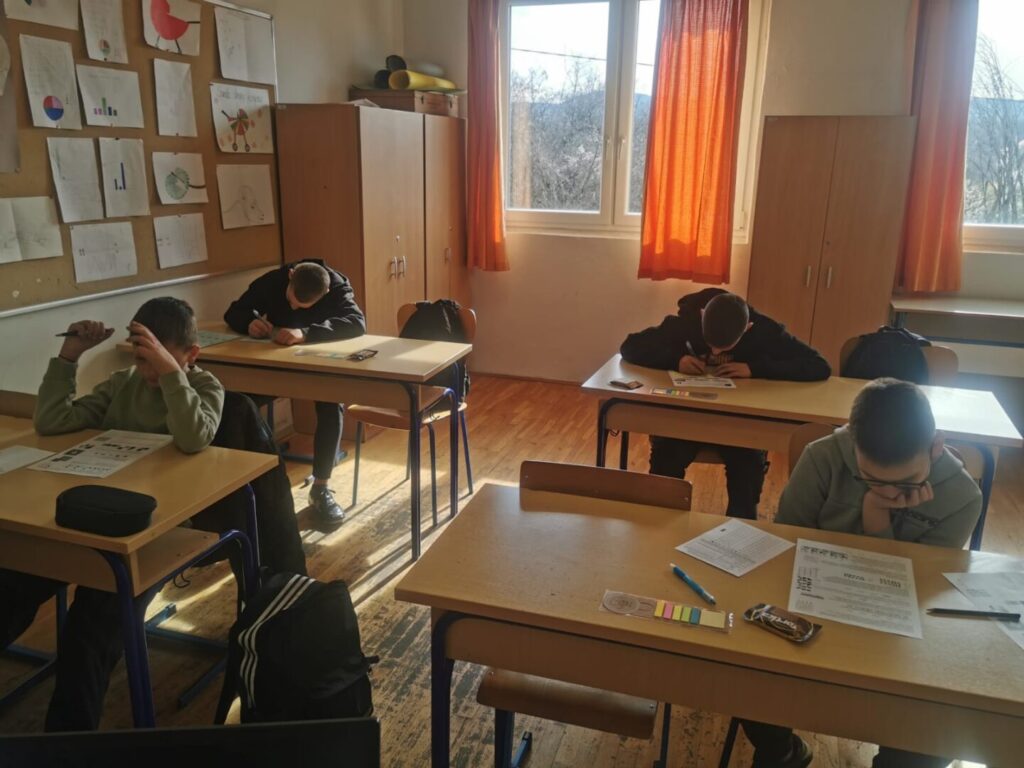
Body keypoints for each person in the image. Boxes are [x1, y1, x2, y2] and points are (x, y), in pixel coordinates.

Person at [1, 297, 224, 731]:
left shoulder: (205, 387)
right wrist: (69, 357)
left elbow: (194, 437)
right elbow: (52, 422)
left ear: (190, 355)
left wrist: (172, 374)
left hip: (156, 531)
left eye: (158, 361)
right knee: (12, 585)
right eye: (142, 360)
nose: (148, 373)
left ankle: (67, 741)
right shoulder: (124, 383)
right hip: (96, 518)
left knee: (92, 626)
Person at [740, 378, 982, 768]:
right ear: (854, 443)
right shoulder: (823, 457)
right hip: (810, 608)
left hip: (898, 632)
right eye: (871, 478)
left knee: (935, 736)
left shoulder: (962, 497)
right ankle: (783, 752)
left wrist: (876, 518)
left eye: (907, 481)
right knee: (741, 672)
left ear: (936, 446)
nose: (889, 491)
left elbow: (918, 586)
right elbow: (786, 544)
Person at [620, 289, 831, 519]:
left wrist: (755, 369)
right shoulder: (683, 323)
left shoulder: (764, 330)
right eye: (710, 344)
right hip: (687, 419)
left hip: (740, 424)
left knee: (747, 471)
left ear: (748, 328)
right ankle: (659, 523)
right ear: (702, 315)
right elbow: (630, 346)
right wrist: (675, 360)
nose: (715, 352)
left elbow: (818, 365)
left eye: (725, 348)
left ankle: (739, 524)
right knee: (666, 463)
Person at [224, 260, 366, 527]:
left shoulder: (336, 285)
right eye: (291, 300)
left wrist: (307, 333)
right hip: (276, 366)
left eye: (304, 306)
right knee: (240, 403)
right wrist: (249, 323)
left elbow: (357, 323)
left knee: (331, 404)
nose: (294, 309)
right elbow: (234, 311)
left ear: (325, 293)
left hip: (319, 368)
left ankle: (321, 488)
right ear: (290, 276)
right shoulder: (272, 280)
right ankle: (247, 483)